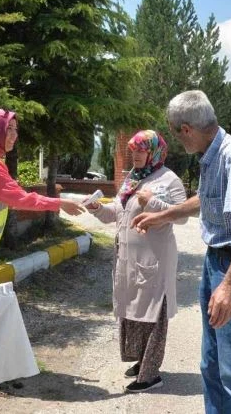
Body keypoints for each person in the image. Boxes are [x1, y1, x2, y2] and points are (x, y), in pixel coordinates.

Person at [132, 91, 231, 413]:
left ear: (186, 129)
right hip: (215, 261)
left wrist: (230, 286)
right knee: (212, 365)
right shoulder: (213, 154)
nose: (180, 144)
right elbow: (207, 200)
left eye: (178, 136)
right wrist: (163, 215)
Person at [85, 130, 187, 393]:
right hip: (128, 260)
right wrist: (98, 209)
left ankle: (150, 375)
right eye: (133, 150)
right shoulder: (132, 178)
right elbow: (116, 215)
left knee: (153, 314)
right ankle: (142, 361)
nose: (136, 155)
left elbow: (182, 217)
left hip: (154, 261)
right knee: (133, 311)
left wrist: (151, 201)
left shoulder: (169, 179)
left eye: (141, 150)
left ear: (154, 151)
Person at [0, 109, 84, 279]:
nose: (14, 135)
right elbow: (19, 199)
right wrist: (60, 203)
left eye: (15, 129)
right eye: (7, 129)